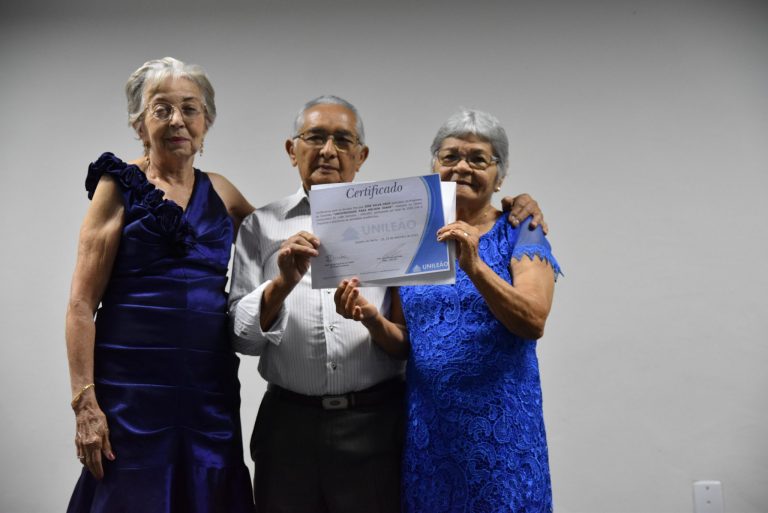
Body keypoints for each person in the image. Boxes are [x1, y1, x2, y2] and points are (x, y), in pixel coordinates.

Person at [228, 96, 547, 513]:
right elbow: (242, 338)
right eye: (315, 137)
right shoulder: (261, 225)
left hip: (380, 423)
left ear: (361, 156)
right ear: (292, 150)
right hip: (291, 424)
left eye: (343, 140)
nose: (328, 151)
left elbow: (525, 318)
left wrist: (516, 208)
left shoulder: (400, 220)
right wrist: (285, 284)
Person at [334, 108, 561, 512]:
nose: (462, 167)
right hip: (430, 434)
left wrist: (474, 266)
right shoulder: (414, 235)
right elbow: (405, 343)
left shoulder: (521, 230)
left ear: (500, 176)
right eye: (450, 156)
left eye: (478, 159)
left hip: (502, 435)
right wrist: (371, 318)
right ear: (434, 166)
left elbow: (532, 319)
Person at [65, 57, 256, 513]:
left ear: (206, 122)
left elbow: (280, 241)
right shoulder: (118, 187)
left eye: (190, 109)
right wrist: (85, 403)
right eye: (161, 109)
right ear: (140, 124)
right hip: (132, 390)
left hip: (207, 387)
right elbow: (80, 304)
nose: (177, 121)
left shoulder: (223, 192)